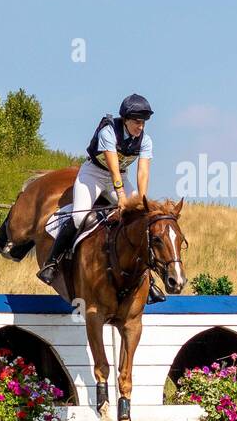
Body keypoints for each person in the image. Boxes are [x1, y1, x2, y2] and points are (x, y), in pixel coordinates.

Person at [38, 94, 166, 302]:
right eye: (136, 122)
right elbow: (113, 170)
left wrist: (142, 202)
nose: (140, 127)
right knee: (80, 217)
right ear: (125, 120)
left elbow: (143, 172)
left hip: (120, 177)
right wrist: (122, 197)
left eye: (142, 123)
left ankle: (148, 281)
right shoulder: (109, 132)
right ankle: (52, 263)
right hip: (94, 175)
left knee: (140, 222)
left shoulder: (146, 141)